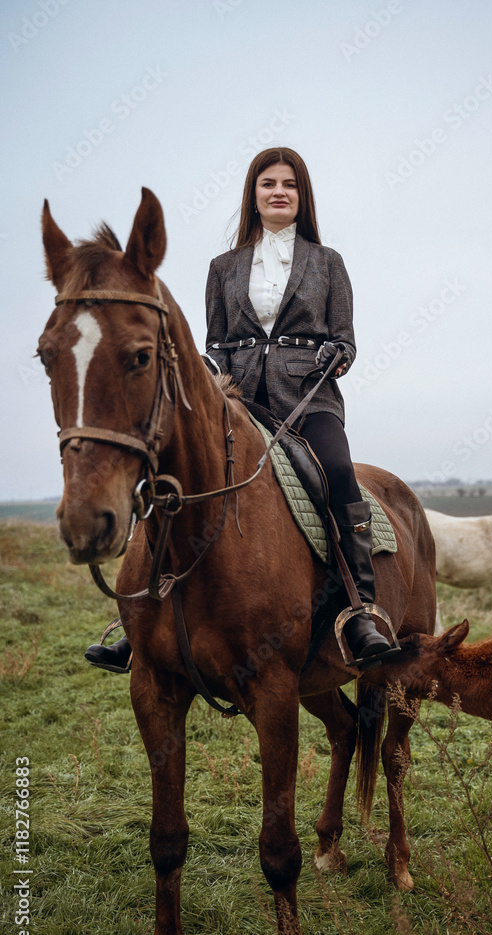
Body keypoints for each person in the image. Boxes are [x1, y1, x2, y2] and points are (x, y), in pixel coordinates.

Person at [86, 147, 391, 671]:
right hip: (237, 397)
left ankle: (360, 612)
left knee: (338, 472)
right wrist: (207, 373)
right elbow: (217, 343)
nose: (279, 192)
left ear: (302, 196)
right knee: (171, 472)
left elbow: (346, 339)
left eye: (289, 185)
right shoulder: (222, 268)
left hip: (309, 398)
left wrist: (338, 354)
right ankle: (139, 621)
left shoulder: (328, 263)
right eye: (268, 183)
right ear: (253, 194)